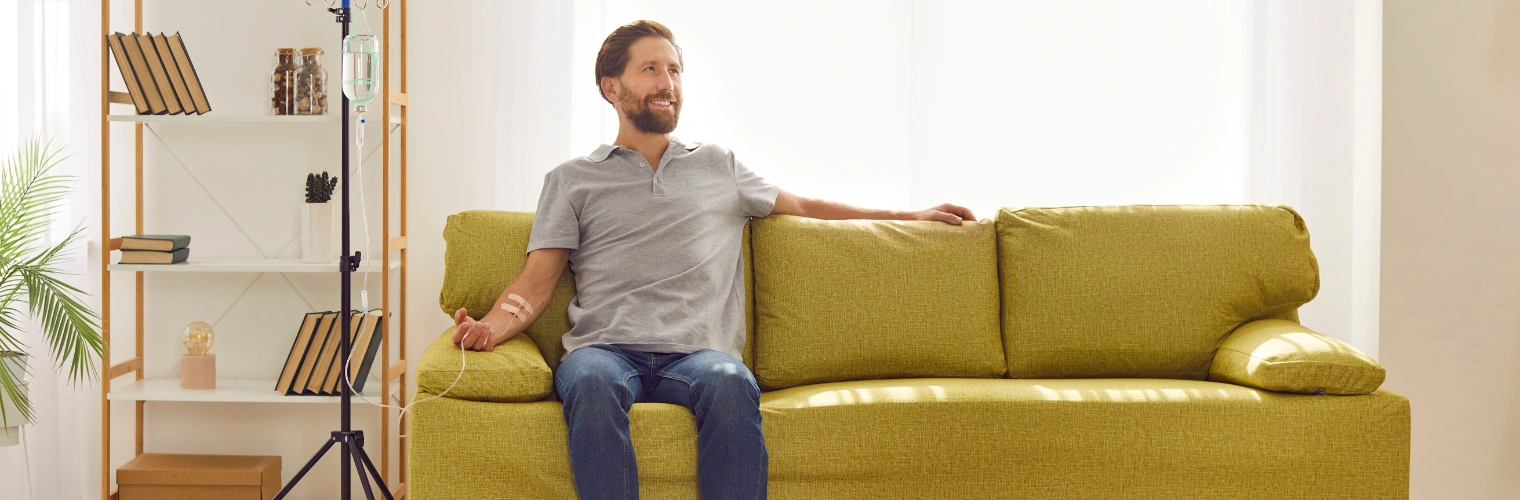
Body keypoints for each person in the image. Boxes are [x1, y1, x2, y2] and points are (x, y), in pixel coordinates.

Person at [450, 19, 976, 500]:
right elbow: (537, 281)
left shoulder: (719, 166)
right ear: (612, 87)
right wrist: (492, 329)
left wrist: (912, 215)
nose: (667, 83)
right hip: (605, 349)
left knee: (731, 381)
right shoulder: (572, 180)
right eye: (650, 69)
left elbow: (807, 206)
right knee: (587, 381)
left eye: (674, 70)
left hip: (698, 354)